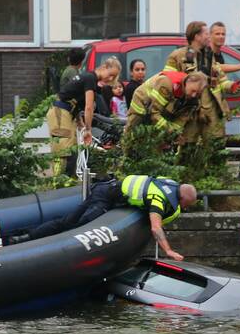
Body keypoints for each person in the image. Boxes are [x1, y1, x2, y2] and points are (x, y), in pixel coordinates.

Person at [20, 175, 198, 260]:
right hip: (104, 197)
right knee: (79, 226)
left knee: (68, 221)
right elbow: (155, 227)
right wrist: (168, 251)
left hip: (107, 190)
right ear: (181, 198)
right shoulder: (159, 199)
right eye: (185, 205)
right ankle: (29, 240)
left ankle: (26, 237)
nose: (183, 208)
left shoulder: (167, 182)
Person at [164, 21, 236, 148]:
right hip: (189, 112)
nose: (209, 37)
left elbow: (220, 77)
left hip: (211, 111)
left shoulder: (209, 56)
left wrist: (230, 86)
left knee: (216, 149)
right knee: (188, 150)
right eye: (206, 34)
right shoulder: (177, 56)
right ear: (197, 36)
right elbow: (168, 81)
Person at [45, 57, 122, 171]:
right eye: (110, 74)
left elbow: (75, 100)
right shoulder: (90, 78)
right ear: (104, 67)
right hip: (60, 113)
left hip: (66, 112)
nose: (110, 79)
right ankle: (59, 182)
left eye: (114, 77)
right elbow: (89, 107)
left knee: (72, 148)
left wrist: (80, 123)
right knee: (63, 149)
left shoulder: (89, 79)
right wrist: (88, 130)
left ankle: (68, 179)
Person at [124, 70, 207, 135]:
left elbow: (179, 122)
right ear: (188, 81)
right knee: (133, 129)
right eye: (193, 91)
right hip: (142, 100)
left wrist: (175, 135)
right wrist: (169, 130)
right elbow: (154, 113)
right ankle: (125, 152)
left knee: (158, 135)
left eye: (198, 93)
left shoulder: (193, 100)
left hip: (162, 107)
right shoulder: (167, 83)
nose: (194, 95)